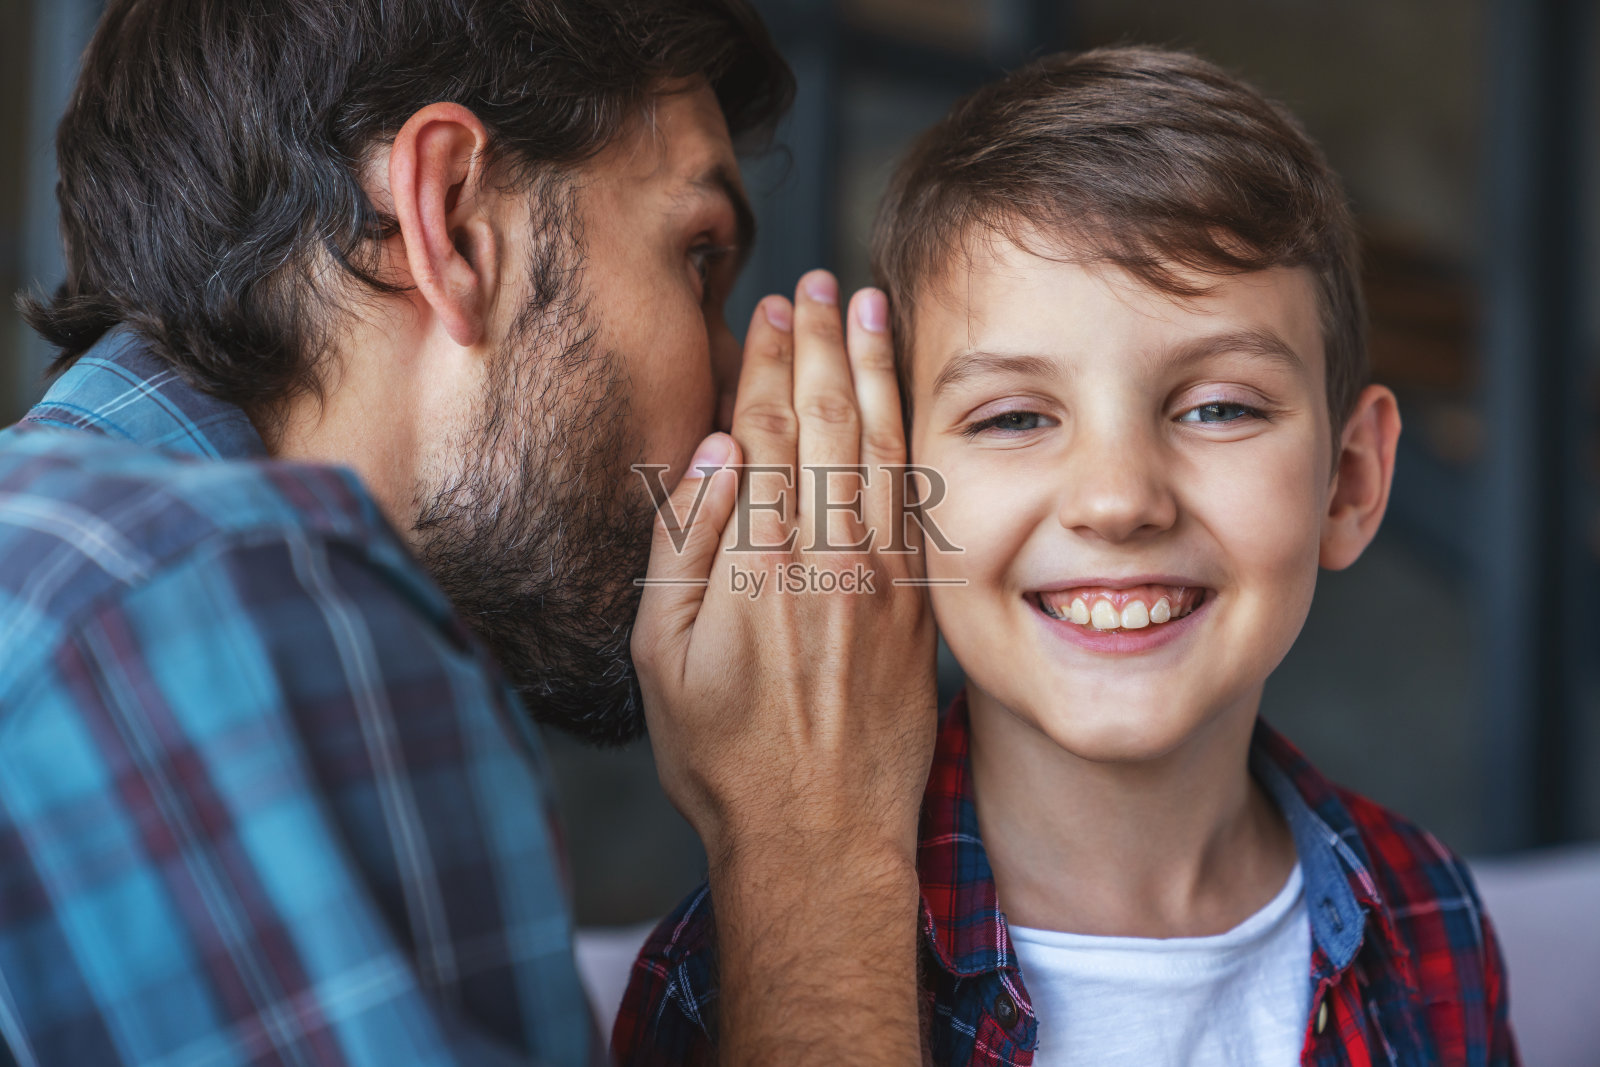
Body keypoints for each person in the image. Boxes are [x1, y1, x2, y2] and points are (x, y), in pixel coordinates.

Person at [0, 0, 939, 1063]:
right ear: (447, 221)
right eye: (696, 256)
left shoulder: (86, 558)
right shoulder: (212, 596)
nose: (738, 391)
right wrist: (813, 846)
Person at [615, 46, 1518, 1066]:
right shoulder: (733, 972)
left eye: (1219, 407)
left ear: (1349, 482)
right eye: (1012, 417)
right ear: (890, 496)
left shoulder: (1431, 916)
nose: (1118, 499)